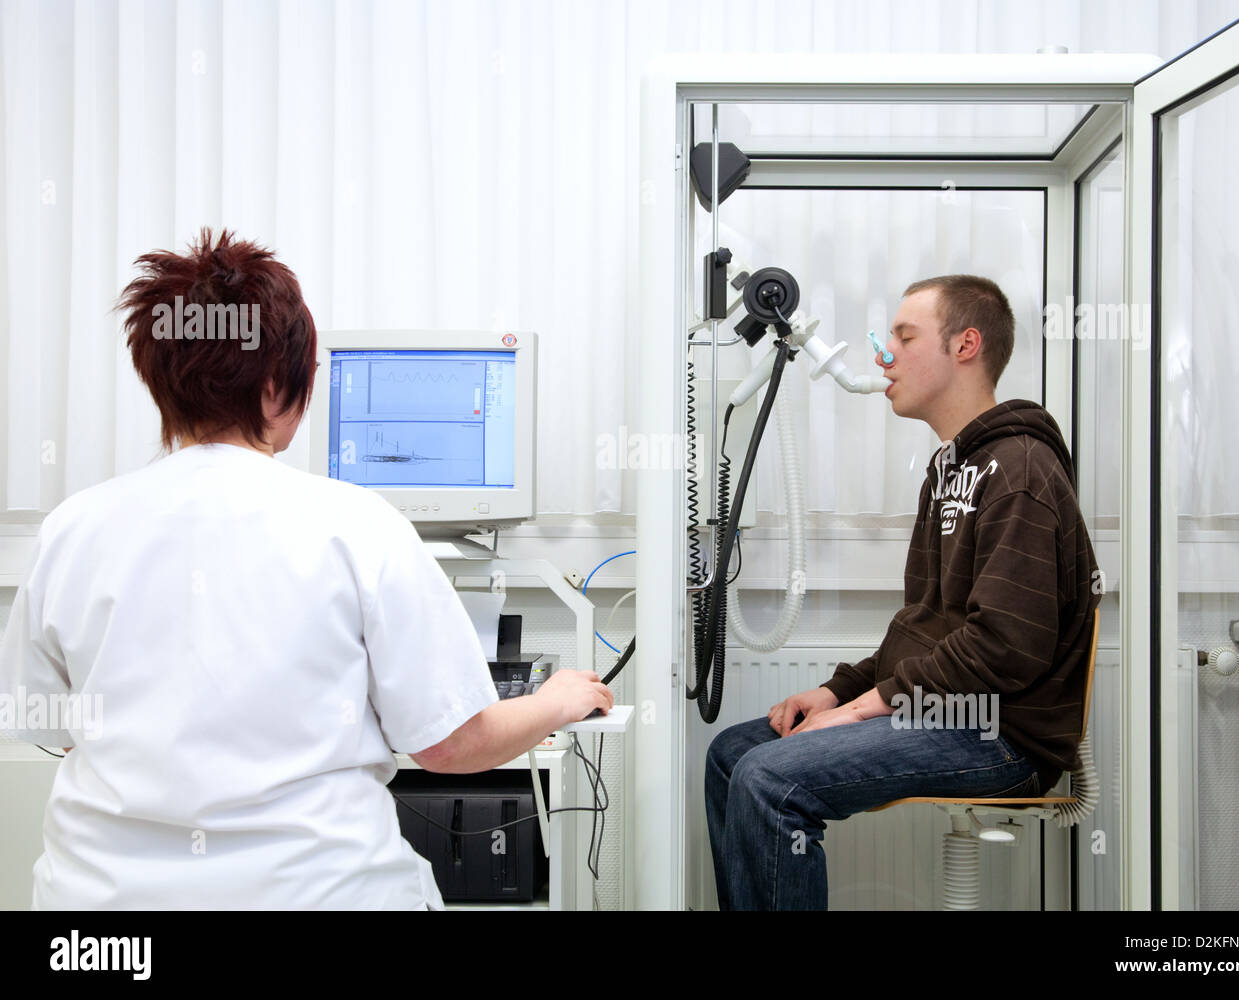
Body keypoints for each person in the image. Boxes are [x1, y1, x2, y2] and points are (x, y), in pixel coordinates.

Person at [0, 228, 611, 909]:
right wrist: (553, 702)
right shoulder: (357, 525)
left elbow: (47, 725)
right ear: (273, 387)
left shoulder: (73, 530)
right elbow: (450, 744)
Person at [705, 274, 1100, 910]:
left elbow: (1004, 647)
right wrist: (837, 690)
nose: (883, 355)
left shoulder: (1020, 472)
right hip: (947, 707)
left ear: (965, 345)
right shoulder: (949, 471)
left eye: (904, 336)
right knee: (733, 755)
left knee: (770, 779)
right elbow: (925, 629)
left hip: (999, 730)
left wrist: (859, 709)